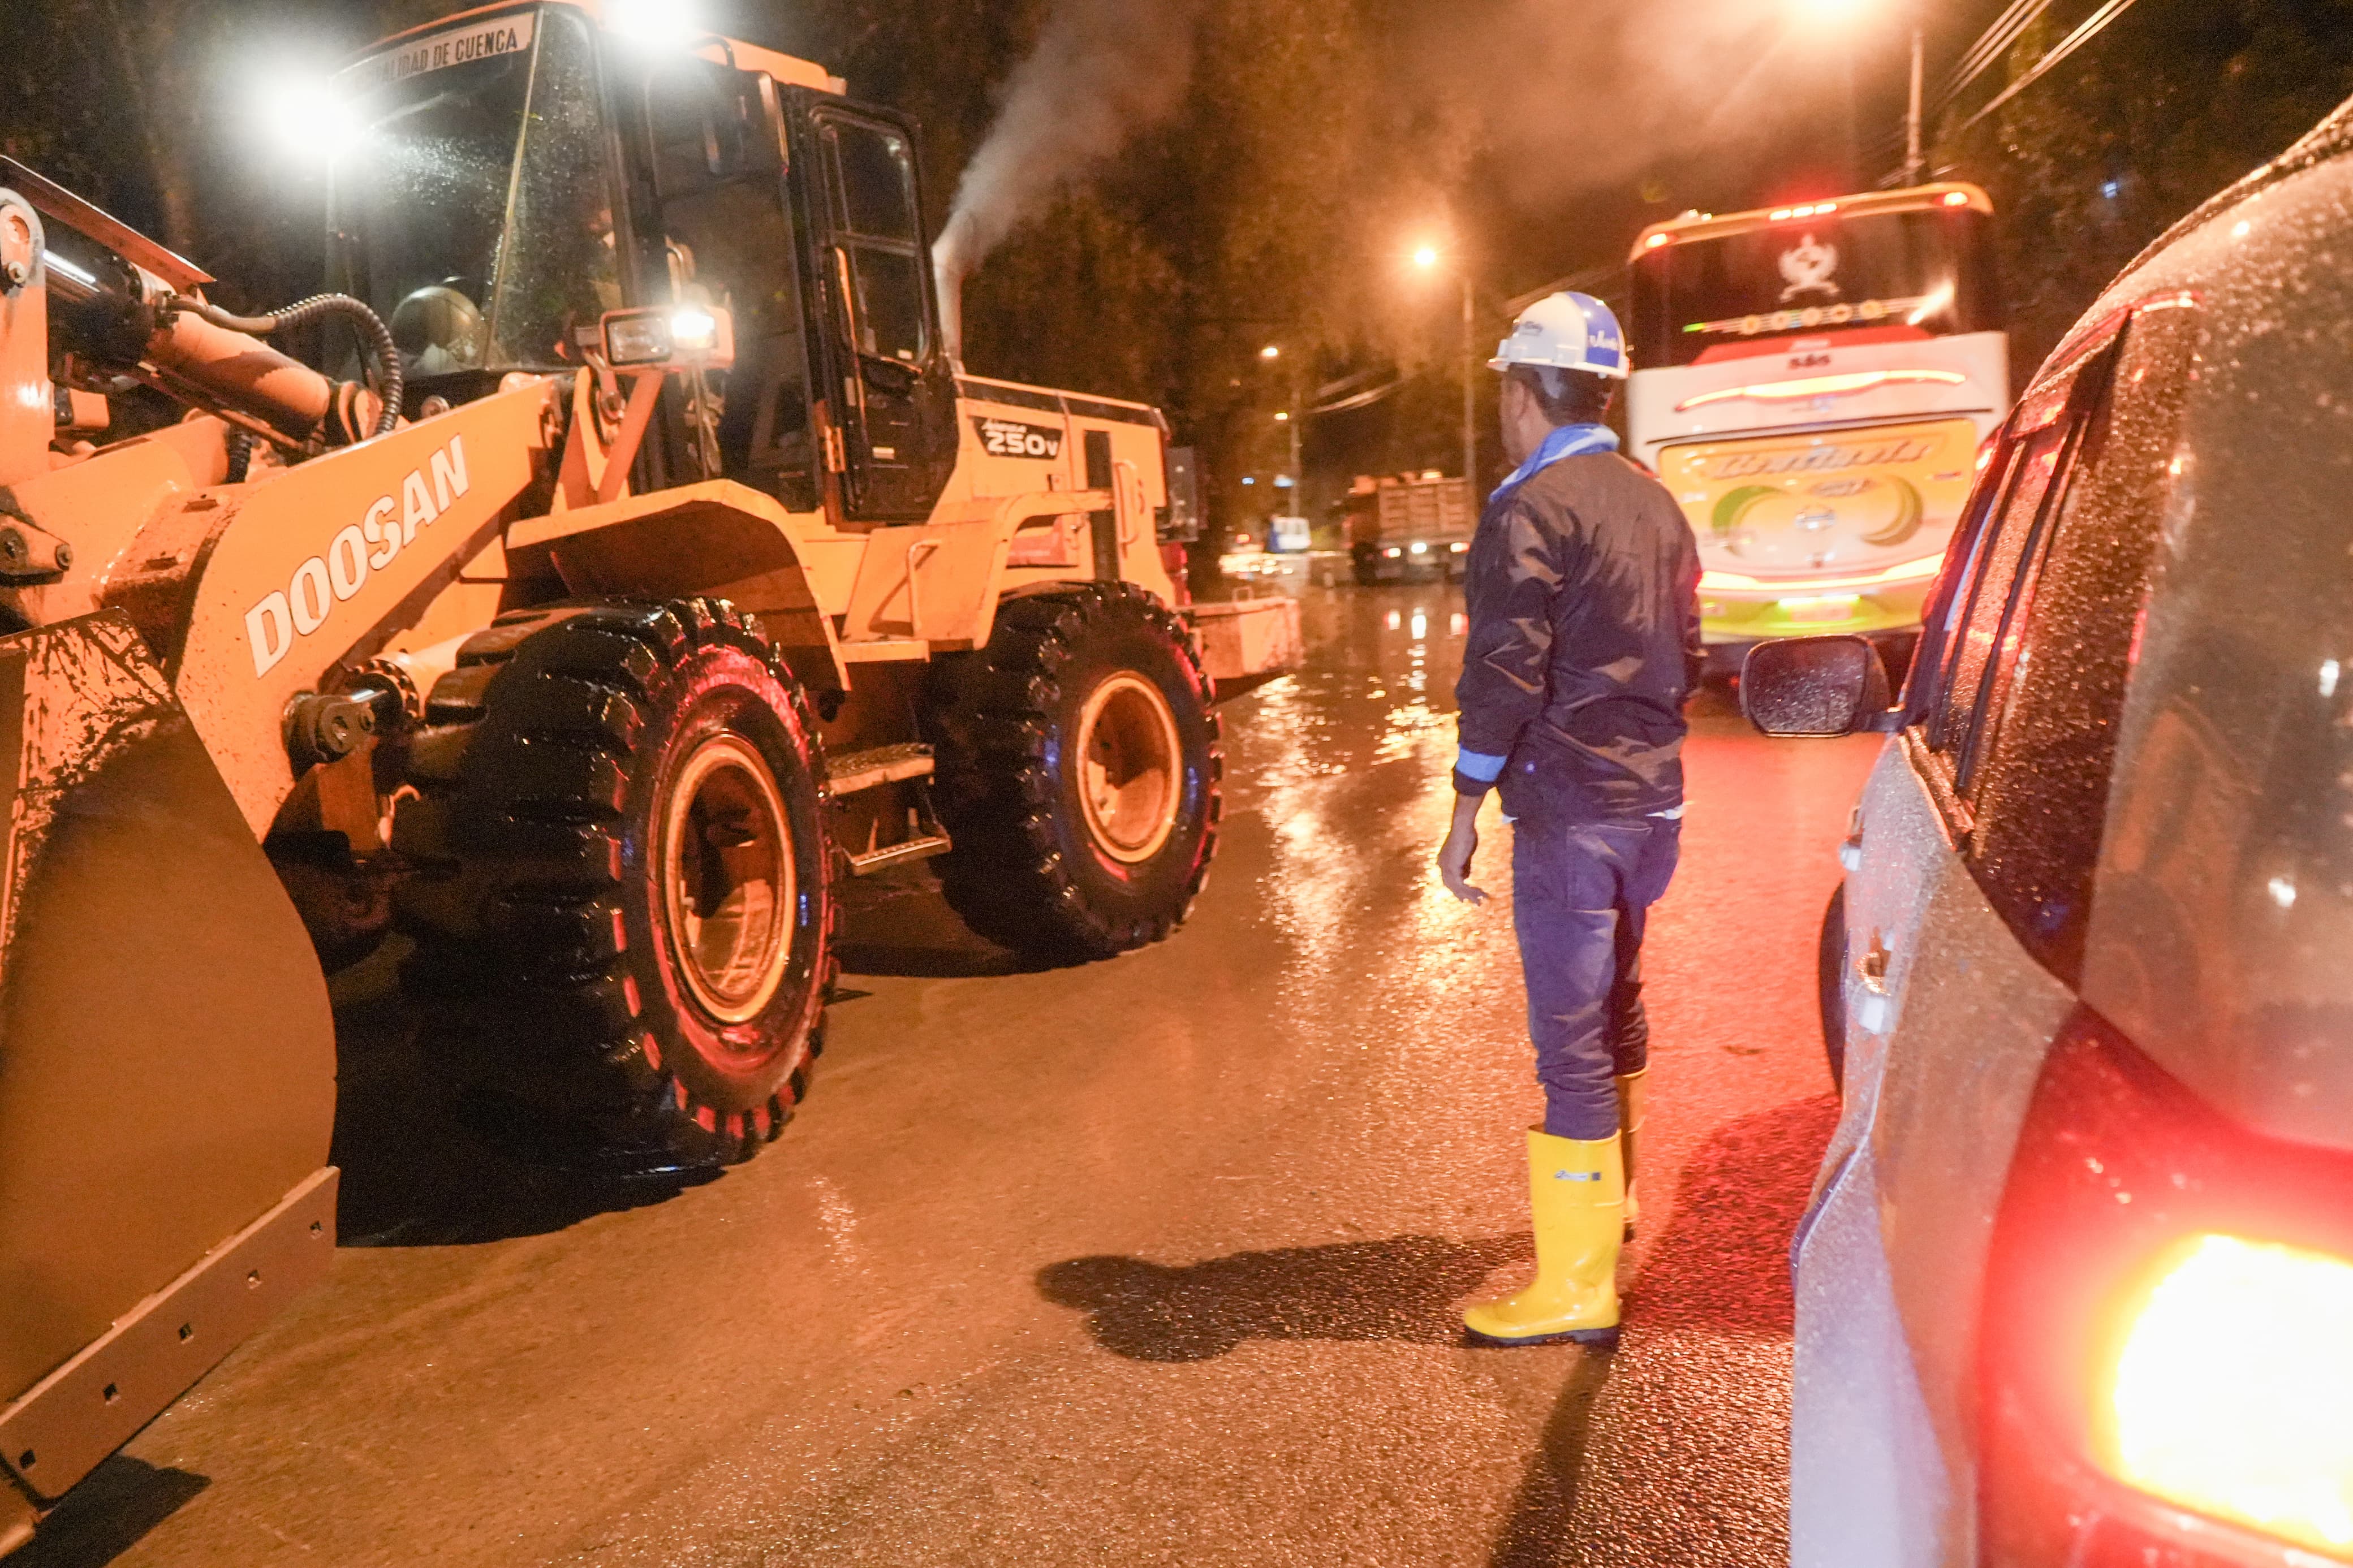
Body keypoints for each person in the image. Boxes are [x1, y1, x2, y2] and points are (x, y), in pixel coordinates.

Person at [1437, 291, 1700, 1349]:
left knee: (1569, 1042)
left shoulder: (1531, 508)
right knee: (1619, 999)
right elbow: (1690, 636)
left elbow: (1504, 672)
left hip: (1571, 807)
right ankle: (1615, 1198)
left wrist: (1463, 803)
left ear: (1521, 392)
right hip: (1655, 805)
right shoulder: (1655, 501)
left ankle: (1578, 1286)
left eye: (1505, 391)